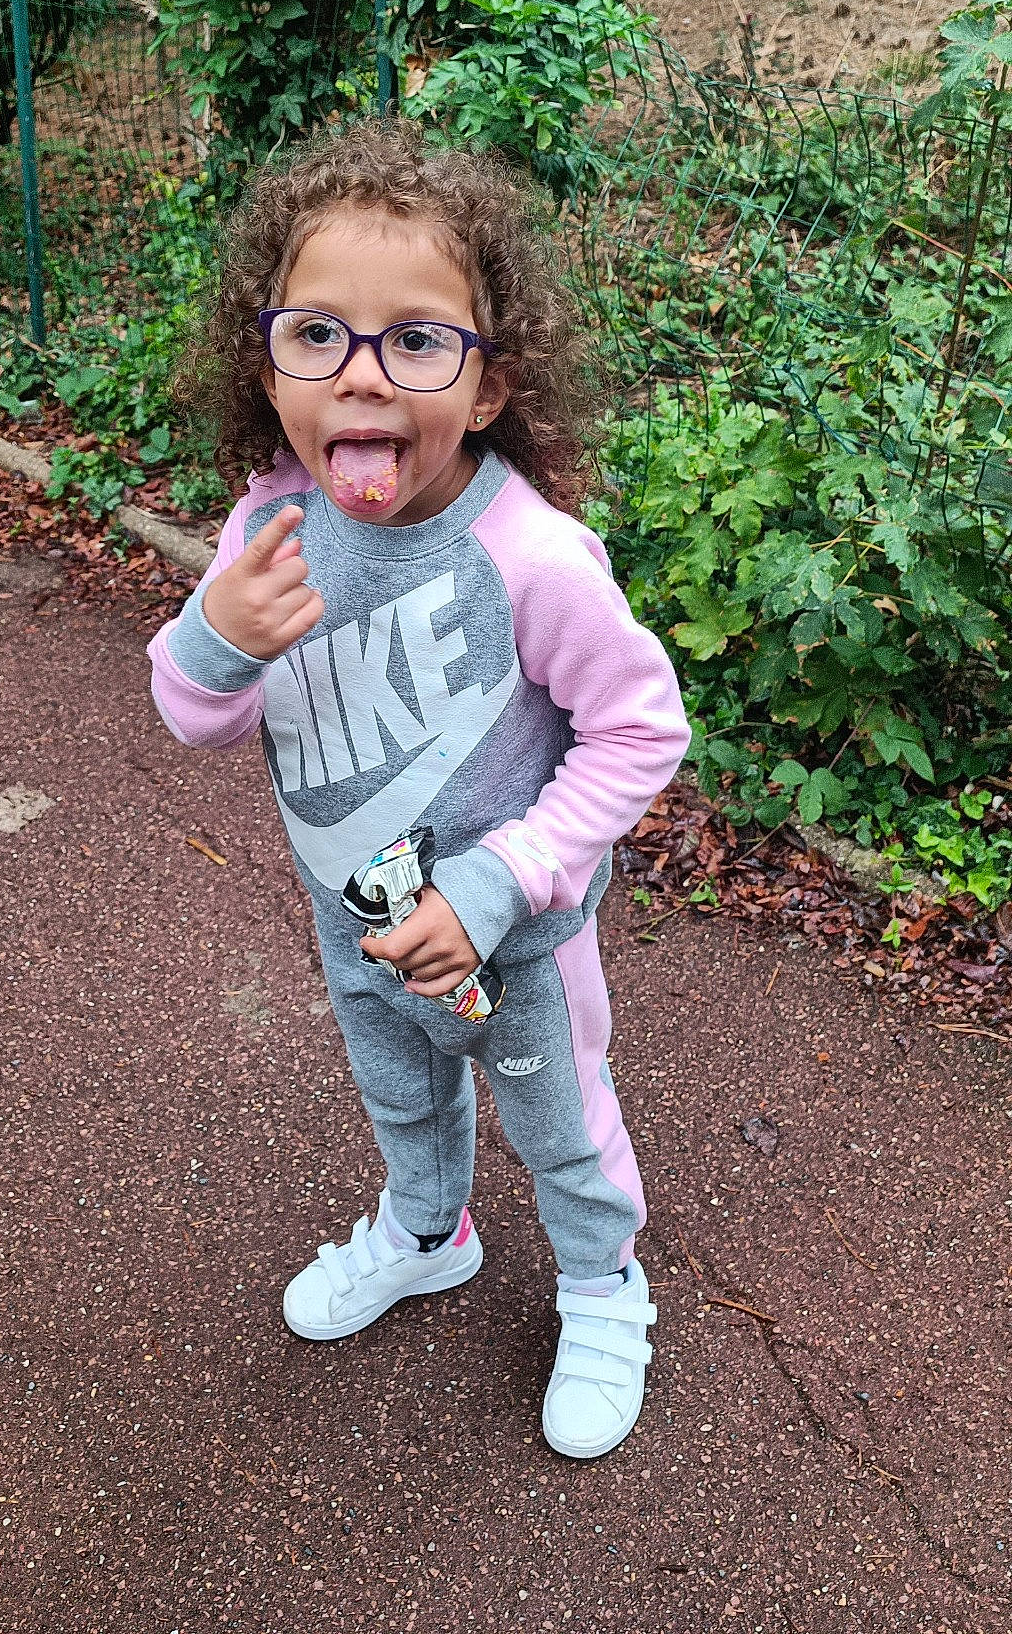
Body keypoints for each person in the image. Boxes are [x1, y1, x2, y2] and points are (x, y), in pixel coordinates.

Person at [147, 121, 690, 1460]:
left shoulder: (533, 559)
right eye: (318, 334)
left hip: (516, 944)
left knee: (561, 1133)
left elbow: (641, 729)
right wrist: (223, 632)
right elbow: (191, 713)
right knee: (403, 1103)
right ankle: (429, 1232)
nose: (363, 376)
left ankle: (604, 1289)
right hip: (356, 930)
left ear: (489, 384)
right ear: (266, 364)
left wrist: (501, 881)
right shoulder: (269, 519)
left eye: (417, 341)